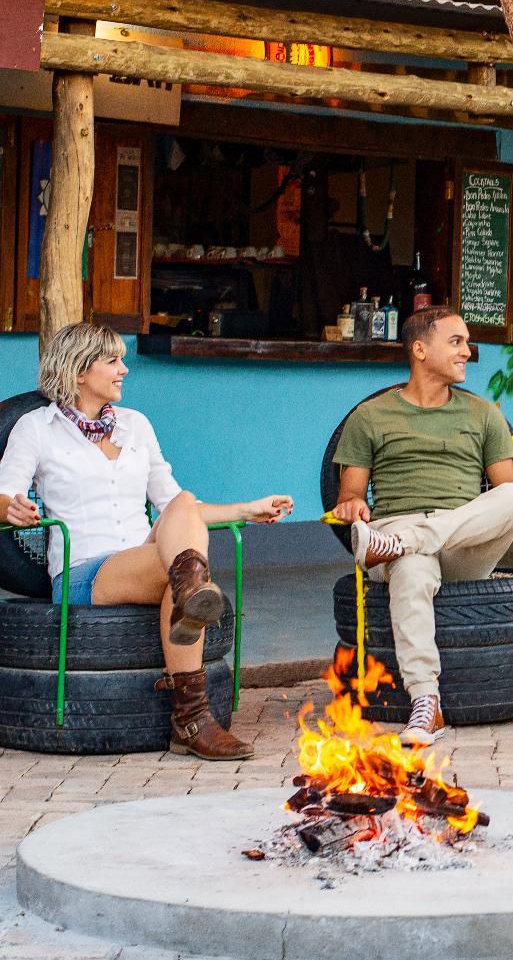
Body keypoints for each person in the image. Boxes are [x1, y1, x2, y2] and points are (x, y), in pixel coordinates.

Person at [0, 323, 293, 760]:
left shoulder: (135, 425)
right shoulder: (36, 428)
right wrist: (12, 509)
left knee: (184, 503)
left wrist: (247, 509)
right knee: (184, 568)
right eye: (113, 361)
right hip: (85, 571)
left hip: (148, 557)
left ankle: (190, 600)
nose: (124, 370)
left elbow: (177, 507)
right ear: (79, 371)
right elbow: (5, 494)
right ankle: (193, 715)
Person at [330, 306, 513, 747]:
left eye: (467, 342)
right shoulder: (370, 416)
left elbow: (507, 487)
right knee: (412, 569)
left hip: (456, 545)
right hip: (398, 536)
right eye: (456, 342)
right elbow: (349, 495)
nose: (468, 352)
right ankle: (425, 703)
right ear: (419, 349)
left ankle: (404, 542)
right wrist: (352, 505)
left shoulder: (483, 414)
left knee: (511, 498)